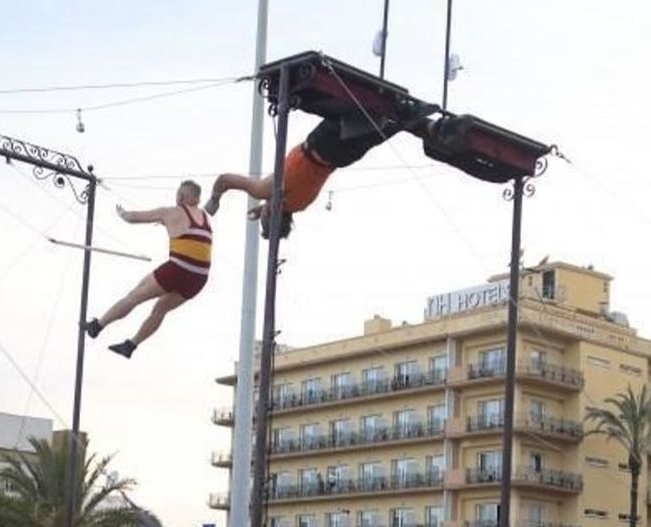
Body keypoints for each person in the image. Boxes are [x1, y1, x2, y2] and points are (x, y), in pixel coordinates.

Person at [202, 99, 438, 238]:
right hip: (322, 144)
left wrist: (262, 211)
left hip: (341, 158)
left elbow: (281, 203)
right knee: (350, 110)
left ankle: (418, 122)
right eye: (264, 214)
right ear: (271, 211)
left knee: (379, 130)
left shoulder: (300, 204)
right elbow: (225, 180)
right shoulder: (266, 190)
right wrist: (214, 200)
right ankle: (406, 113)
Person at [83, 181, 213, 359]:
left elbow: (132, 218)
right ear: (198, 199)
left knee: (134, 296)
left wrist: (122, 213)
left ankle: (97, 326)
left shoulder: (170, 211)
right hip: (199, 278)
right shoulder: (205, 218)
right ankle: (131, 345)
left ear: (181, 196)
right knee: (160, 309)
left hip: (178, 268)